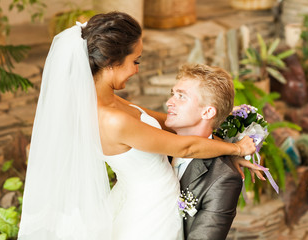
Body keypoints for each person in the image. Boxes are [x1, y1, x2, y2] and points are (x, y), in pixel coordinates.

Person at [18, 12, 257, 240]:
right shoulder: (112, 120)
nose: (137, 69)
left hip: (138, 198)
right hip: (151, 211)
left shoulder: (105, 101)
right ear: (111, 62)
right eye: (135, 60)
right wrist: (236, 149)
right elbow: (185, 149)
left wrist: (220, 126)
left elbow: (164, 122)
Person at [166, 64, 265, 240]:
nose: (169, 102)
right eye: (172, 94)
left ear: (208, 111)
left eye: (181, 96)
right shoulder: (156, 145)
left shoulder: (223, 177)